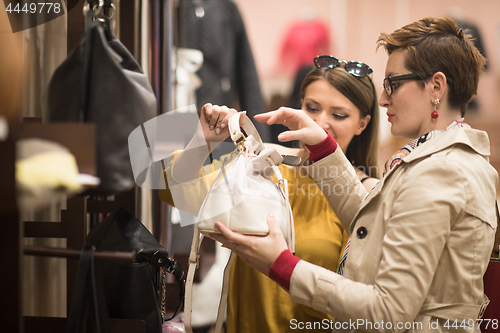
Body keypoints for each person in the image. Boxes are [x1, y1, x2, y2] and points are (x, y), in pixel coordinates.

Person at [210, 16, 498, 331]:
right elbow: (371, 225)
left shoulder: (441, 172)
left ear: (436, 86)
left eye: (394, 83)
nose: (385, 98)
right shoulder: (441, 158)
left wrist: (282, 266)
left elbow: (387, 311)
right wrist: (322, 147)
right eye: (313, 107)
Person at [160, 56, 380, 332]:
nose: (320, 123)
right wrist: (201, 141)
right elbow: (175, 192)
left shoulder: (364, 196)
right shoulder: (264, 163)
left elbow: (363, 302)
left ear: (362, 124)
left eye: (339, 115)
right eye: (311, 108)